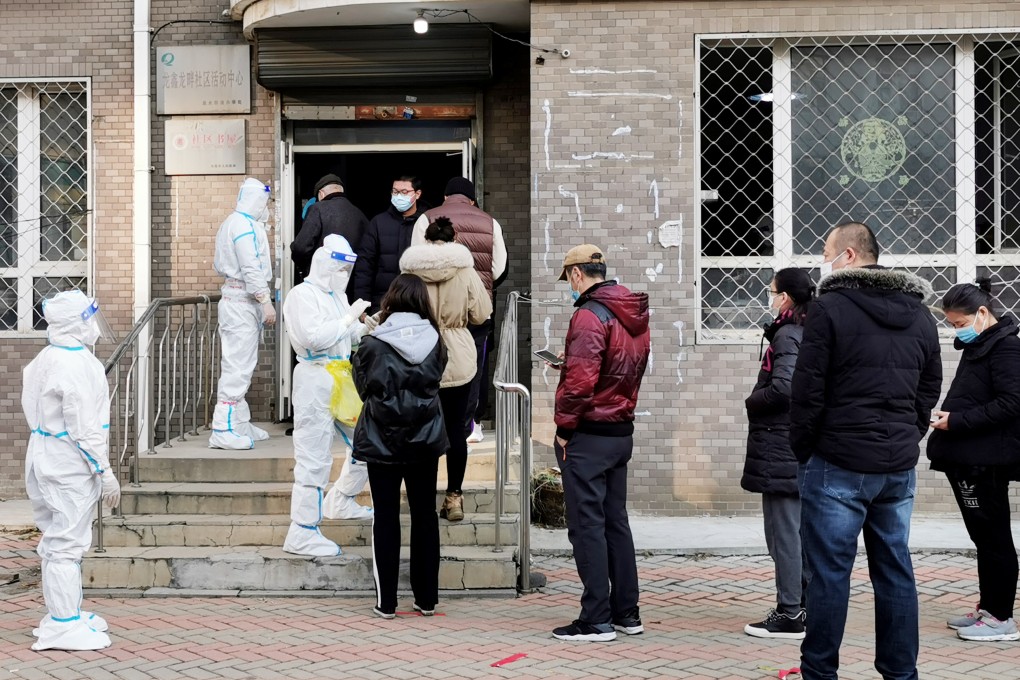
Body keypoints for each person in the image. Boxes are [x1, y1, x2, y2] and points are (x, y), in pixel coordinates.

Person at [790, 222, 942, 680]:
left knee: (829, 574)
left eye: (827, 253)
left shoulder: (829, 308)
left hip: (837, 462)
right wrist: (908, 433)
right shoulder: (919, 313)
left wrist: (804, 447)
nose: (823, 263)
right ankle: (900, 673)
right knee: (895, 569)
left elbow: (808, 388)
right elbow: (929, 384)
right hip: (896, 466)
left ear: (850, 256)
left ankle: (820, 673)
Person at [547, 244, 650, 642]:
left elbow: (581, 384)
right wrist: (569, 359)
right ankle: (627, 612)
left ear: (576, 274)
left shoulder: (589, 315)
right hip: (619, 428)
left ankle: (595, 618)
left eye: (568, 280)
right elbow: (619, 366)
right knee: (615, 523)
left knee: (586, 526)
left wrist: (563, 427)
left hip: (589, 433)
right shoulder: (632, 312)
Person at [22, 290, 121, 651]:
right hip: (68, 463)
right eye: (90, 316)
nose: (95, 324)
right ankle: (63, 626)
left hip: (45, 455)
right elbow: (83, 427)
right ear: (77, 322)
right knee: (67, 543)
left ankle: (65, 613)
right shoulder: (75, 365)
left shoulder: (48, 357)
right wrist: (104, 470)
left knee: (56, 540)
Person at [928, 280, 1020, 642]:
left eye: (958, 323)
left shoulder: (1006, 348)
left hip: (986, 460)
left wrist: (957, 421)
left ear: (982, 314)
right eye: (951, 325)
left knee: (994, 537)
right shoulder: (983, 345)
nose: (956, 331)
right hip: (968, 456)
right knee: (983, 537)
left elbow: (1012, 403)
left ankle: (1001, 618)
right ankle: (988, 607)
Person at [352, 274, 449, 619]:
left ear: (391, 300)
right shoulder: (436, 340)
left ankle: (387, 602)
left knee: (386, 517)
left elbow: (363, 389)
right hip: (425, 439)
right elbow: (437, 379)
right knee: (425, 516)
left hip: (382, 439)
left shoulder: (372, 345)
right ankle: (426, 599)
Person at [282, 234, 373, 557]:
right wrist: (349, 318)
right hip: (314, 378)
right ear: (323, 265)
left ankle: (341, 499)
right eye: (338, 269)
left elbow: (343, 337)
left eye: (347, 271)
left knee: (367, 442)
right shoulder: (301, 296)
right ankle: (302, 530)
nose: (343, 276)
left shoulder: (336, 296)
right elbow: (313, 337)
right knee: (313, 456)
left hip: (341, 377)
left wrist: (363, 328)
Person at [399, 217, 491, 522]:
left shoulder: (410, 270)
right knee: (455, 430)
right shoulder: (465, 270)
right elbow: (481, 313)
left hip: (417, 352)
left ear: (425, 240)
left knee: (418, 429)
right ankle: (453, 498)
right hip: (458, 358)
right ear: (453, 241)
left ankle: (422, 498)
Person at [741, 268, 815, 640]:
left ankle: (790, 612)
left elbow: (783, 387)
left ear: (785, 297)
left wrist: (753, 400)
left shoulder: (787, 334)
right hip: (796, 443)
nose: (770, 298)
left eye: (772, 292)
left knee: (783, 534)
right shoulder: (810, 329)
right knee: (796, 532)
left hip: (780, 443)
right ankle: (804, 606)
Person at [412, 177, 507, 444]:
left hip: (429, 312)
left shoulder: (425, 219)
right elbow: (499, 268)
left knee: (429, 365)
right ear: (472, 200)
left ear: (445, 197)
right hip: (474, 311)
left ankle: (432, 422)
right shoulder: (490, 222)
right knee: (472, 367)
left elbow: (415, 263)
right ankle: (469, 424)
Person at [209, 177, 275, 450]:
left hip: (238, 302)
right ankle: (222, 429)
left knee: (242, 364)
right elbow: (251, 266)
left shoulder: (235, 222)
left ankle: (238, 422)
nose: (267, 207)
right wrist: (264, 300)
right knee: (237, 367)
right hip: (242, 302)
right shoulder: (244, 226)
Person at [352, 175, 427, 314]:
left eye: (404, 192)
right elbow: (364, 267)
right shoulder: (378, 223)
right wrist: (361, 305)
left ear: (417, 194)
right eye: (395, 192)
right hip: (382, 303)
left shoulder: (425, 223)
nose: (399, 196)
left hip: (417, 303)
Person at [291, 174, 369, 287]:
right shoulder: (359, 214)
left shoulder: (317, 209)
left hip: (322, 283)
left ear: (321, 193)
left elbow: (300, 248)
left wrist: (304, 267)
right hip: (350, 284)